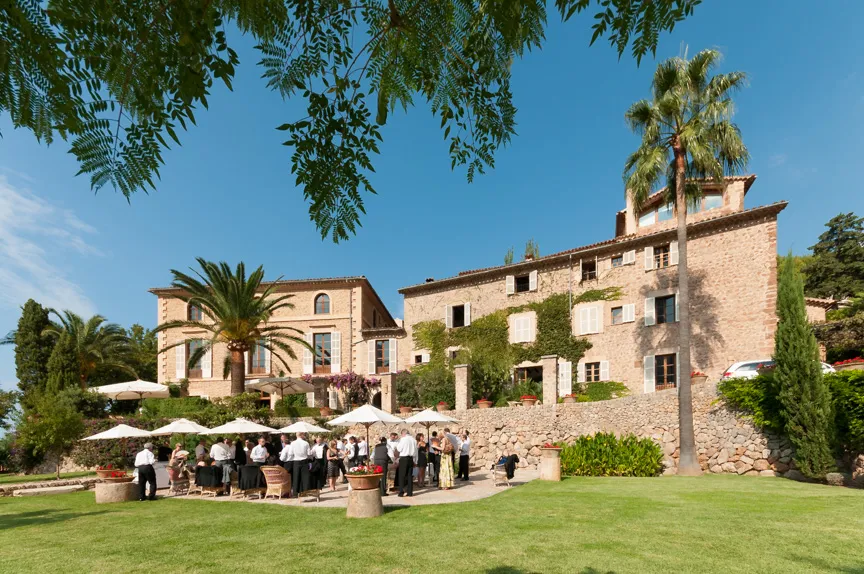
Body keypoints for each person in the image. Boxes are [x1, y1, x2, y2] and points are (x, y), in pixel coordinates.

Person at [395, 429, 417, 497]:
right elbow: (415, 452)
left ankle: (401, 492)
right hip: (411, 458)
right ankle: (410, 492)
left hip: (404, 458)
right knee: (409, 476)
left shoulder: (403, 439)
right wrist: (415, 461)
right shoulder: (414, 440)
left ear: (403, 433)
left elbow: (399, 449)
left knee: (402, 475)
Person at [290, 432, 312, 497]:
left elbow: (290, 453)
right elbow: (309, 453)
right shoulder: (306, 443)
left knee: (296, 477)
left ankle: (295, 493)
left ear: (296, 435)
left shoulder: (292, 443)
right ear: (301, 435)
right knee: (304, 477)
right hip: (304, 460)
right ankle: (304, 492)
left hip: (296, 461)